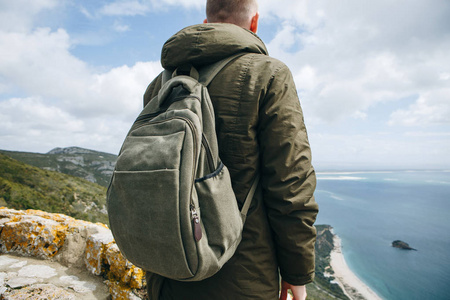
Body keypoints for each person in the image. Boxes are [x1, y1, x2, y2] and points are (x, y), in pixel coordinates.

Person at [143, 0, 318, 299]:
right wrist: (296, 272)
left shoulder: (161, 84)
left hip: (167, 270)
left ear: (207, 23)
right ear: (254, 23)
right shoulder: (268, 75)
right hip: (242, 277)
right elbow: (290, 184)